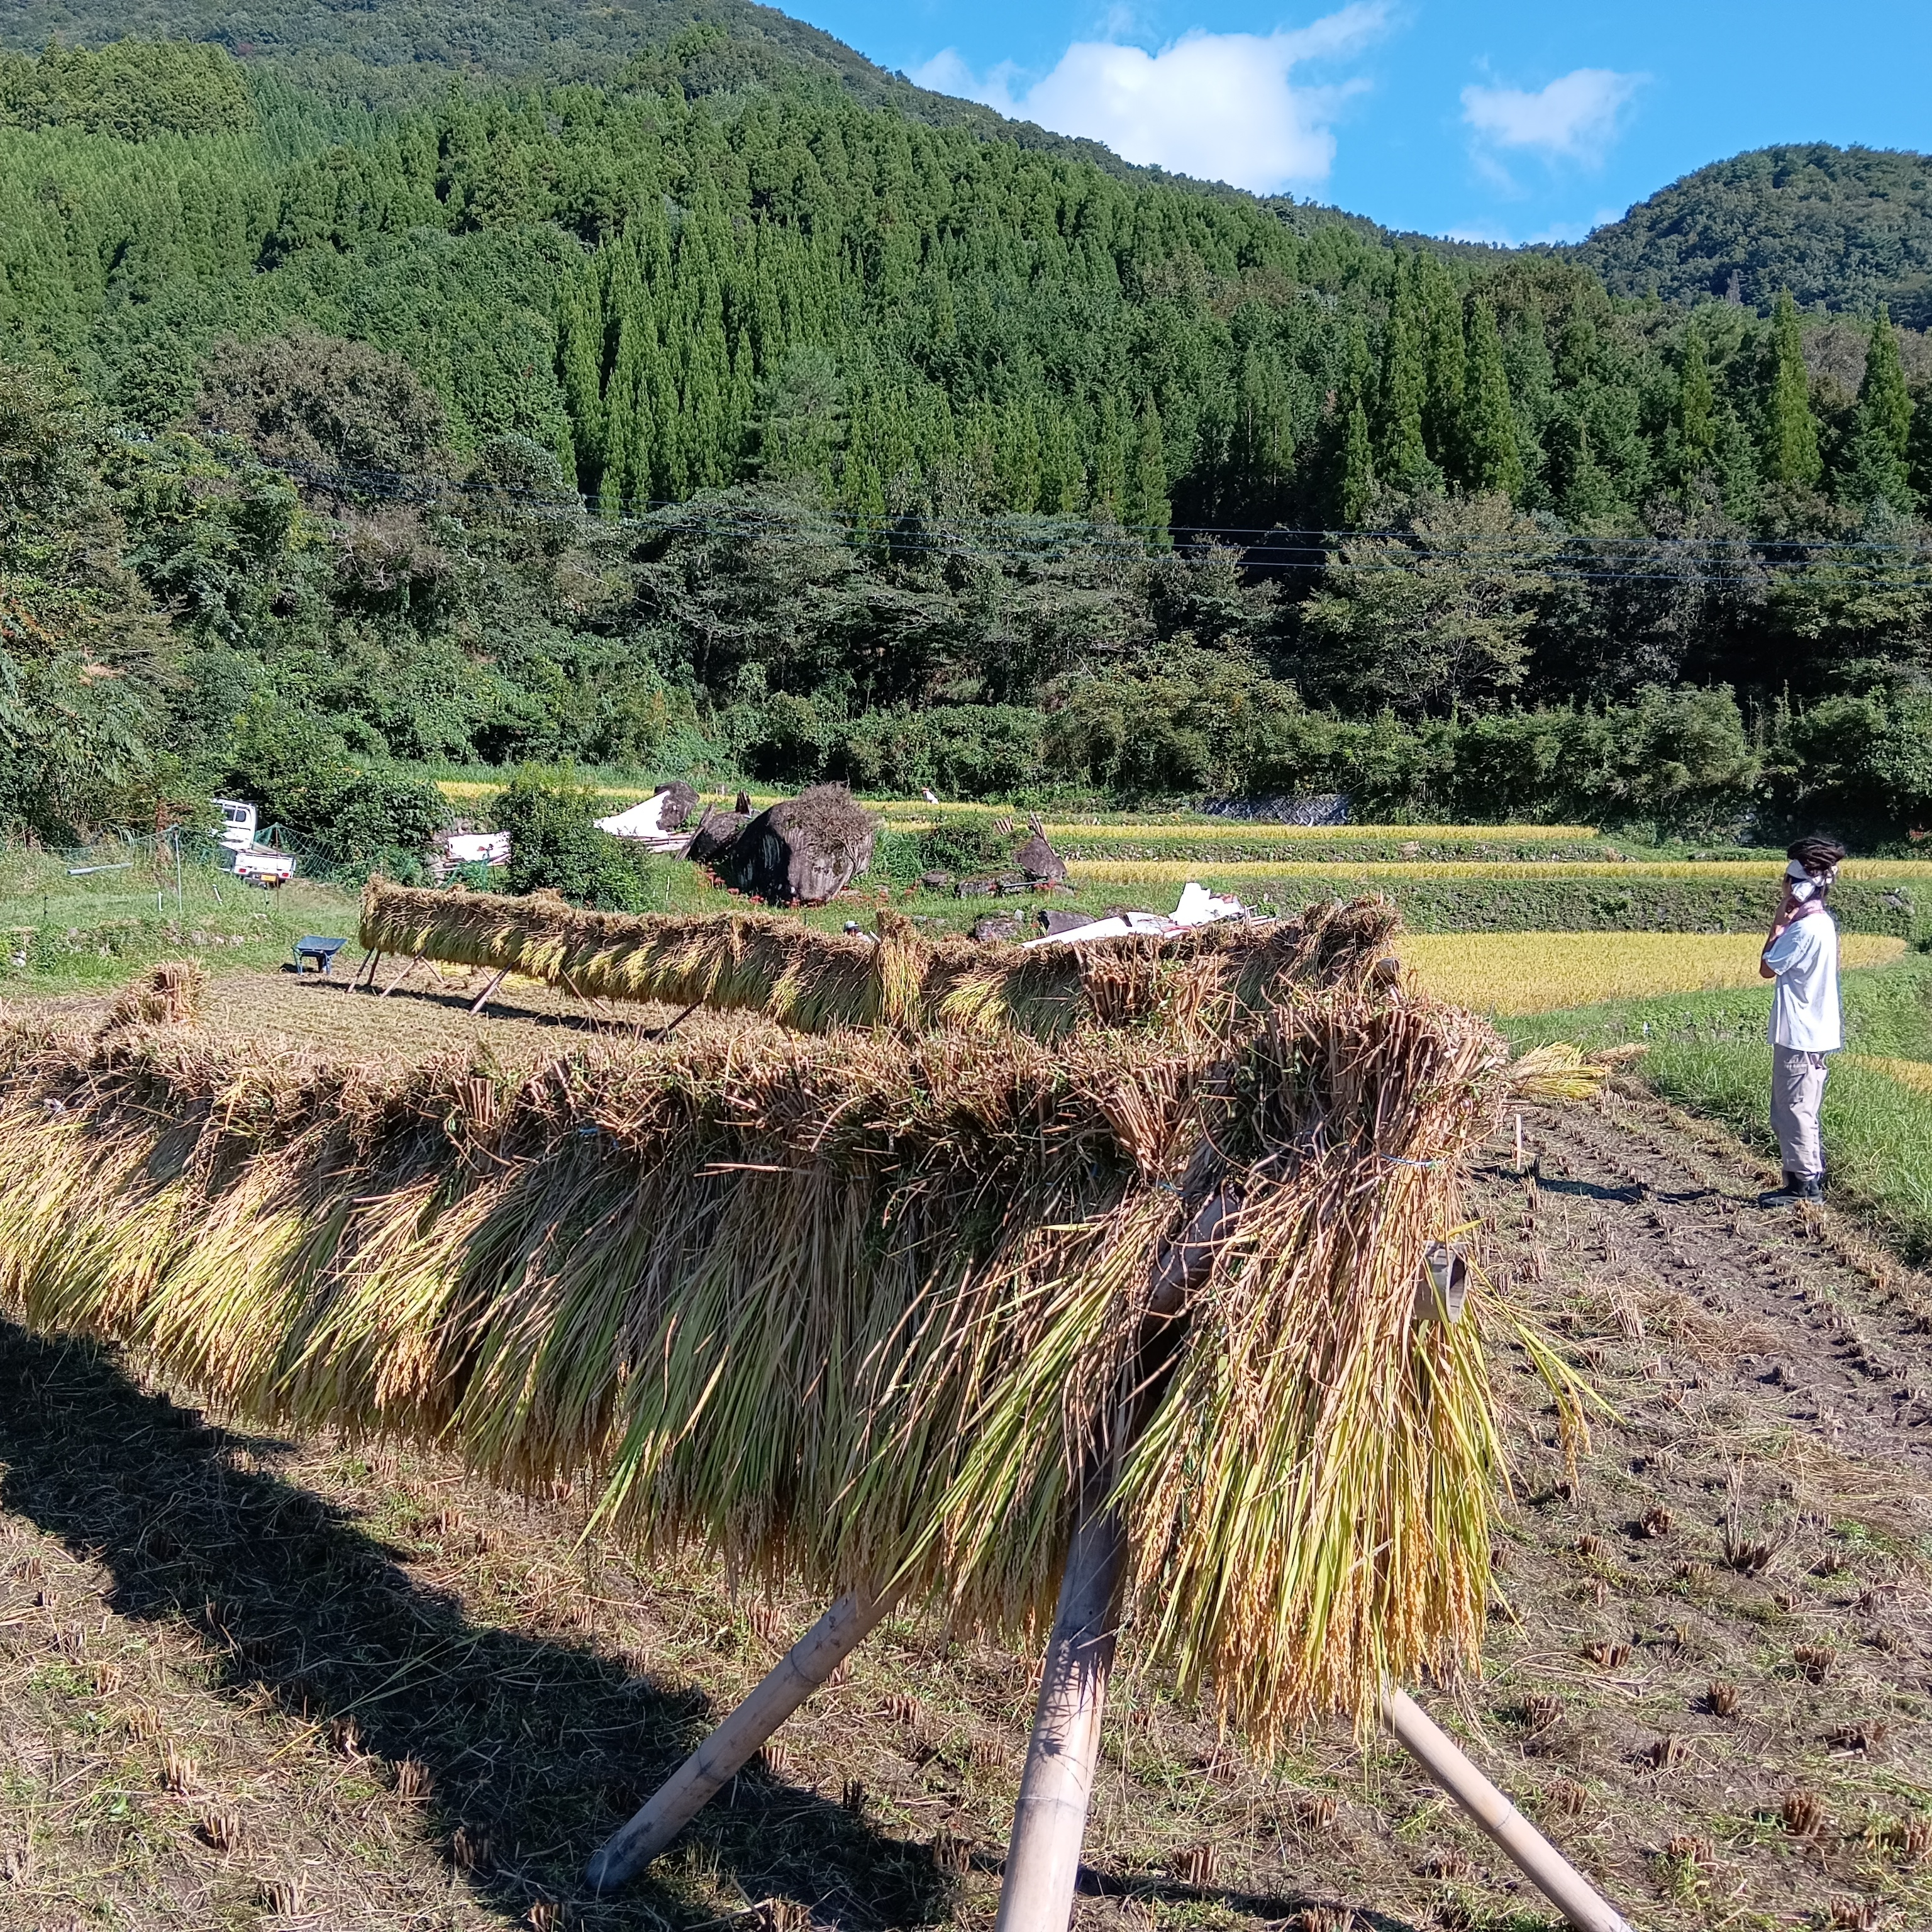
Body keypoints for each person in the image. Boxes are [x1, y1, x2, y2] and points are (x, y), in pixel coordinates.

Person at [1757, 834, 1847, 1206]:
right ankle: (1797, 1181)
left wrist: (1780, 919)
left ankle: (1807, 1188)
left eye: (1786, 882)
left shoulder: (1804, 928)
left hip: (1801, 1034)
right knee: (1791, 1108)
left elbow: (1766, 966)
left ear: (1796, 888)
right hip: (1809, 1030)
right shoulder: (1822, 923)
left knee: (1796, 1109)